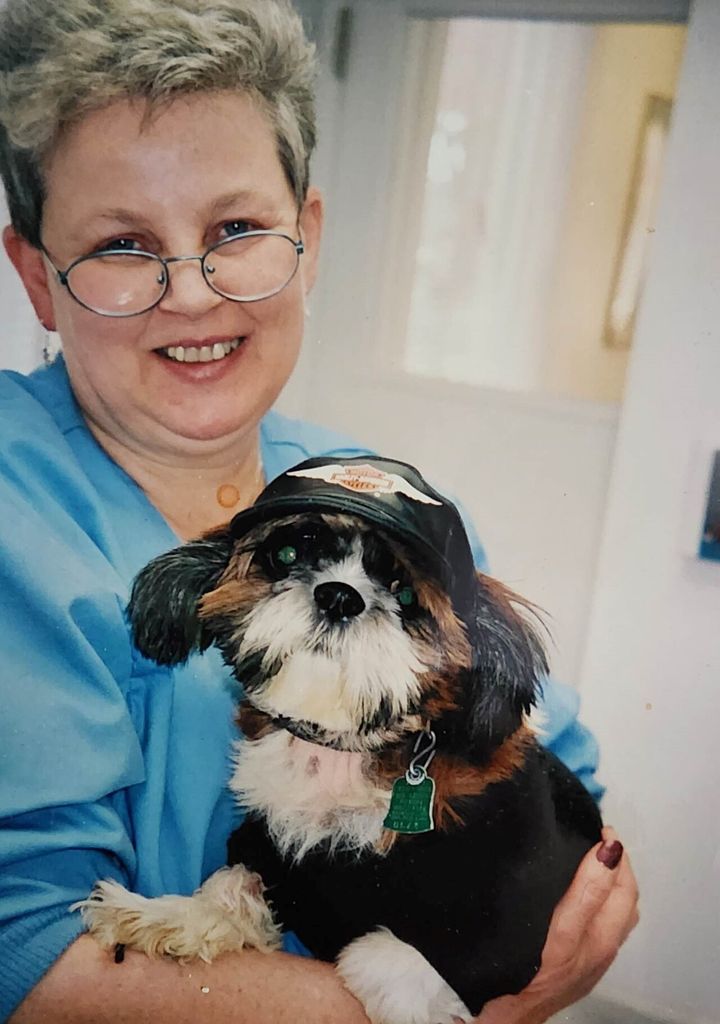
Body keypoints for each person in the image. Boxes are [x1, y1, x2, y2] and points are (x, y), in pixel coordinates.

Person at [0, 2, 638, 1022]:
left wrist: (543, 949)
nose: (192, 293)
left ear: (310, 238)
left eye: (236, 230)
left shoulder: (390, 500)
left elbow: (568, 786)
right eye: (123, 242)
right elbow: (25, 955)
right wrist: (444, 1002)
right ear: (38, 276)